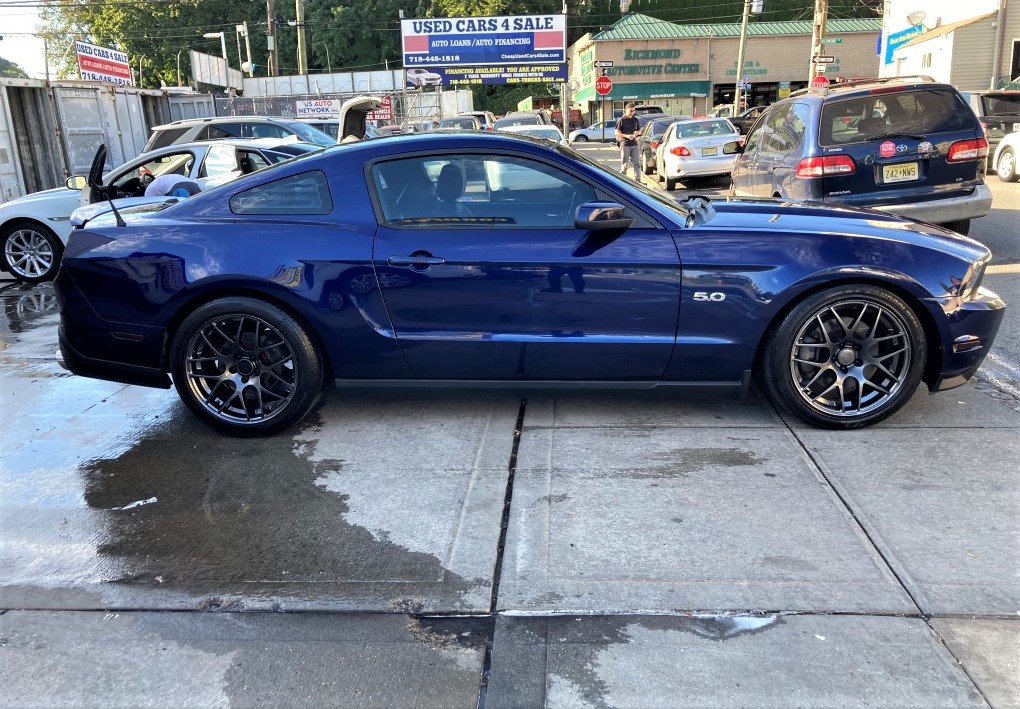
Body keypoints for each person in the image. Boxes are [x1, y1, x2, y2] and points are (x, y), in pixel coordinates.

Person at [615, 103, 641, 179]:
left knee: (637, 163)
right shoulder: (621, 120)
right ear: (626, 110)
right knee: (625, 164)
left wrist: (637, 133)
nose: (632, 113)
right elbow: (616, 132)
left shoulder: (635, 119)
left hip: (634, 144)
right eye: (631, 111)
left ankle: (638, 180)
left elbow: (639, 131)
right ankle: (623, 179)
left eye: (633, 111)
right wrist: (627, 136)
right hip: (625, 144)